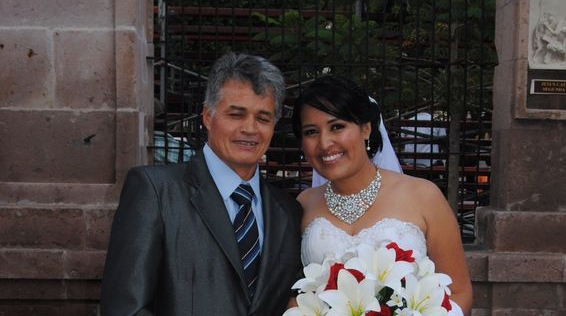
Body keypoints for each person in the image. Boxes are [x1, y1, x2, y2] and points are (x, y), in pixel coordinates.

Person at [101, 53, 302, 316]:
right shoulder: (155, 191)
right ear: (208, 116)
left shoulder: (288, 211)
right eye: (236, 114)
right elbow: (125, 309)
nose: (250, 128)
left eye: (263, 118)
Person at [291, 75, 472, 315]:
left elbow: (459, 291)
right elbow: (294, 296)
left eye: (337, 127)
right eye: (311, 132)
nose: (325, 143)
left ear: (366, 128)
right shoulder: (302, 205)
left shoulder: (424, 197)